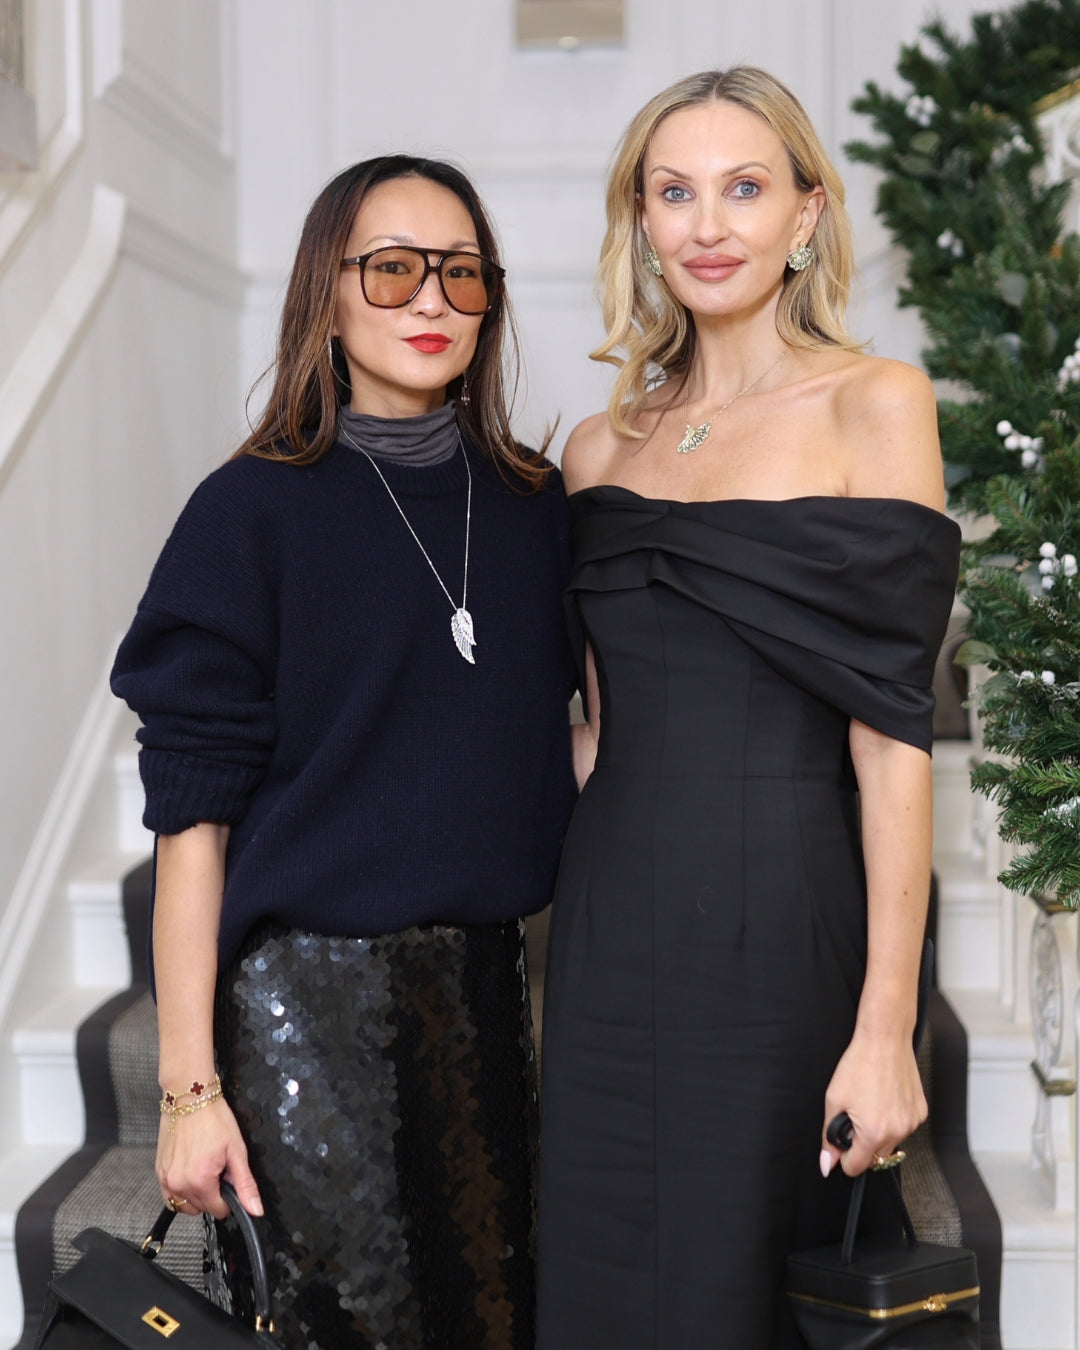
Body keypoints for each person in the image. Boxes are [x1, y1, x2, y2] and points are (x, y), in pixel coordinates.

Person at [111, 154, 577, 1350]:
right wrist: (188, 1090)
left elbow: (559, 750)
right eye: (393, 269)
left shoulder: (534, 509)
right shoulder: (249, 512)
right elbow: (192, 825)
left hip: (485, 1002)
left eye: (462, 274)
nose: (431, 300)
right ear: (327, 292)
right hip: (298, 1013)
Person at [535, 68, 961, 1349]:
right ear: (641, 221)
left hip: (784, 925)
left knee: (743, 1291)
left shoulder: (874, 403)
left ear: (806, 214)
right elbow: (595, 728)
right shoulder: (597, 449)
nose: (709, 225)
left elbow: (893, 741)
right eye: (675, 193)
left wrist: (887, 1025)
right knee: (602, 1287)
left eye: (744, 188)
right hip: (610, 933)